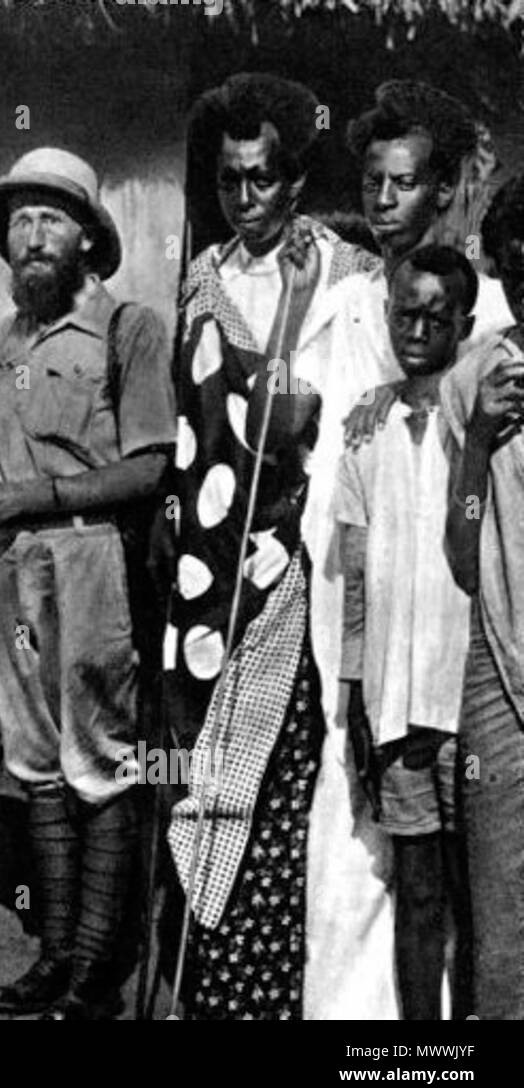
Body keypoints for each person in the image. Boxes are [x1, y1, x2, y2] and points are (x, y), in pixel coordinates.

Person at [163, 72, 396, 1019]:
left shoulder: (350, 280)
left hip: (300, 578)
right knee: (205, 782)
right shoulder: (203, 281)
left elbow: (302, 424)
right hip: (207, 581)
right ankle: (213, 990)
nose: (246, 199)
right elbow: (195, 438)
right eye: (230, 181)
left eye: (263, 179)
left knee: (287, 786)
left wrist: (296, 309)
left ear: (297, 181)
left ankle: (285, 995)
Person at [0, 148, 174, 1020]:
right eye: (19, 219)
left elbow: (149, 467)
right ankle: (53, 955)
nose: (32, 235)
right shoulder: (6, 336)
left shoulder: (131, 330)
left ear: (89, 235)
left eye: (52, 217)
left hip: (88, 562)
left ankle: (96, 970)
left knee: (102, 763)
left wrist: (38, 495)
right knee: (36, 763)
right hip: (11, 573)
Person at [335, 246, 477, 1019]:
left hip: (473, 706)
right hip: (396, 709)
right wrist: (356, 694)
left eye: (437, 315)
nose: (418, 328)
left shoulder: (484, 421)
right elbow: (355, 579)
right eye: (405, 312)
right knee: (418, 894)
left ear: (465, 321)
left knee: (479, 896)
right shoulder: (366, 429)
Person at [443, 174, 524, 1019]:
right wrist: (478, 438)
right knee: (502, 916)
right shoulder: (479, 375)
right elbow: (462, 554)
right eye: (520, 269)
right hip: (500, 666)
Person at [340, 81, 512, 446]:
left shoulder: (494, 309)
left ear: (444, 188)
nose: (383, 200)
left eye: (404, 183)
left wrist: (410, 390)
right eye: (373, 183)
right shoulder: (346, 302)